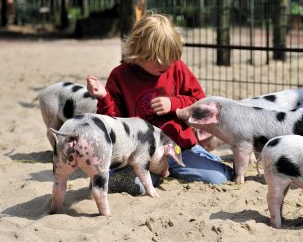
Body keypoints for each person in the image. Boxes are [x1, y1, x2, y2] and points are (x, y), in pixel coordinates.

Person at [87, 12, 234, 195]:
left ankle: (189, 164)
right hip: (142, 155)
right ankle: (120, 176)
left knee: (219, 178)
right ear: (140, 52)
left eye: (171, 59)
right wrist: (103, 98)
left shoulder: (176, 68)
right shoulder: (120, 76)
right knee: (135, 187)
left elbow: (200, 101)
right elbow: (112, 123)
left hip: (180, 148)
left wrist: (174, 104)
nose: (166, 65)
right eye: (160, 60)